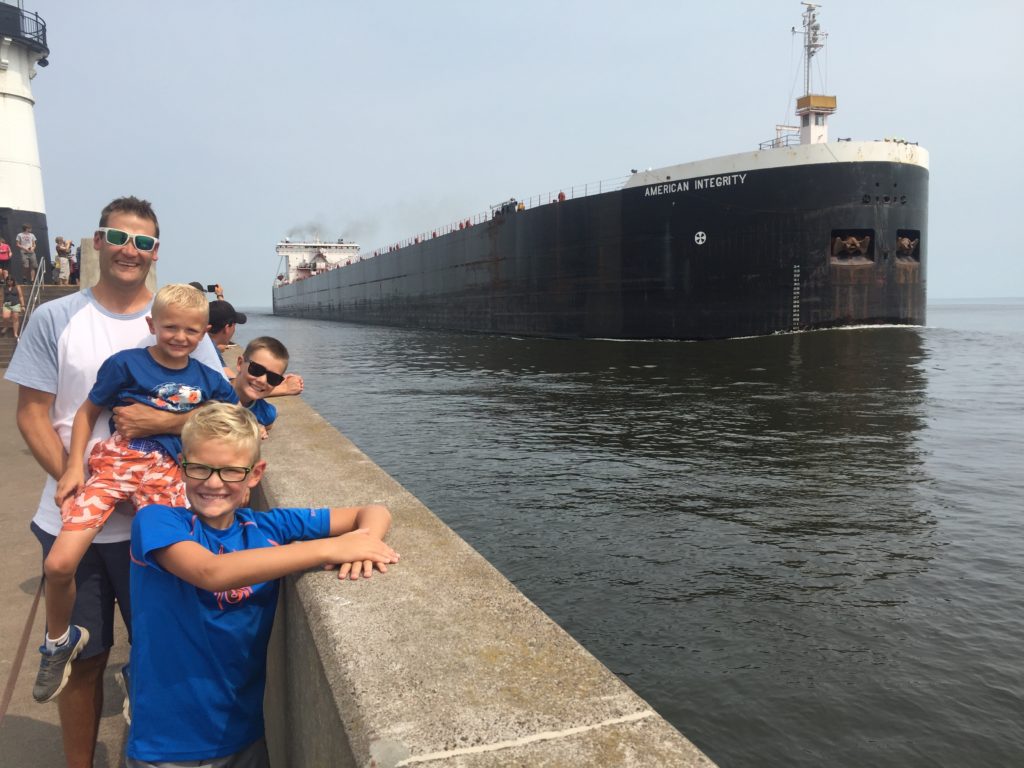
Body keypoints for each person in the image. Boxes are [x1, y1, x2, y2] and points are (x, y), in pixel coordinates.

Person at [4, 196, 224, 768]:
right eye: (119, 237)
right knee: (85, 660)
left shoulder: (183, 323)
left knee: (159, 655)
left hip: (157, 520)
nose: (131, 250)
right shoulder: (55, 317)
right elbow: (32, 412)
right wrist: (76, 481)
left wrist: (165, 422)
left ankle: (154, 756)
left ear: (157, 251)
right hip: (75, 514)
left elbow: (223, 416)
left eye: (144, 242)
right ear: (98, 241)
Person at [126, 403, 398, 766]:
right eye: (200, 468)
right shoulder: (158, 521)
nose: (213, 482)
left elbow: (375, 510)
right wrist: (331, 547)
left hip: (246, 734)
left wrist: (366, 543)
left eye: (231, 472)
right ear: (182, 466)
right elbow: (210, 572)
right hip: (168, 744)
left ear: (256, 474)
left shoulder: (270, 528)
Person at [35, 283, 238, 704]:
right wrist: (74, 466)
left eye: (191, 330)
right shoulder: (125, 365)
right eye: (170, 327)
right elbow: (87, 411)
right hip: (115, 465)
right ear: (151, 324)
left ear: (204, 333)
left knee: (171, 573)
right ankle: (59, 640)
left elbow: (234, 414)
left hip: (167, 475)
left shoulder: (206, 378)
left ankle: (143, 665)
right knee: (59, 563)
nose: (180, 337)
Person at [232, 336, 295, 438]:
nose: (262, 380)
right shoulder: (211, 390)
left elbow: (270, 420)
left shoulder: (266, 414)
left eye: (273, 378)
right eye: (257, 369)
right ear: (240, 363)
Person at [208, 299, 247, 377]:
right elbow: (231, 381)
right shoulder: (210, 351)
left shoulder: (203, 343)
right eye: (234, 324)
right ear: (227, 328)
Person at [2, 274, 25, 338]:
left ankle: (15, 333)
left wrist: (23, 305)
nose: (9, 282)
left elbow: (21, 296)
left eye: (11, 281)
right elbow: (3, 296)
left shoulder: (17, 287)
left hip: (15, 303)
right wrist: (1, 305)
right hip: (7, 304)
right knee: (5, 317)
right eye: (8, 281)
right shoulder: (4, 287)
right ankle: (6, 326)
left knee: (15, 318)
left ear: (13, 281)